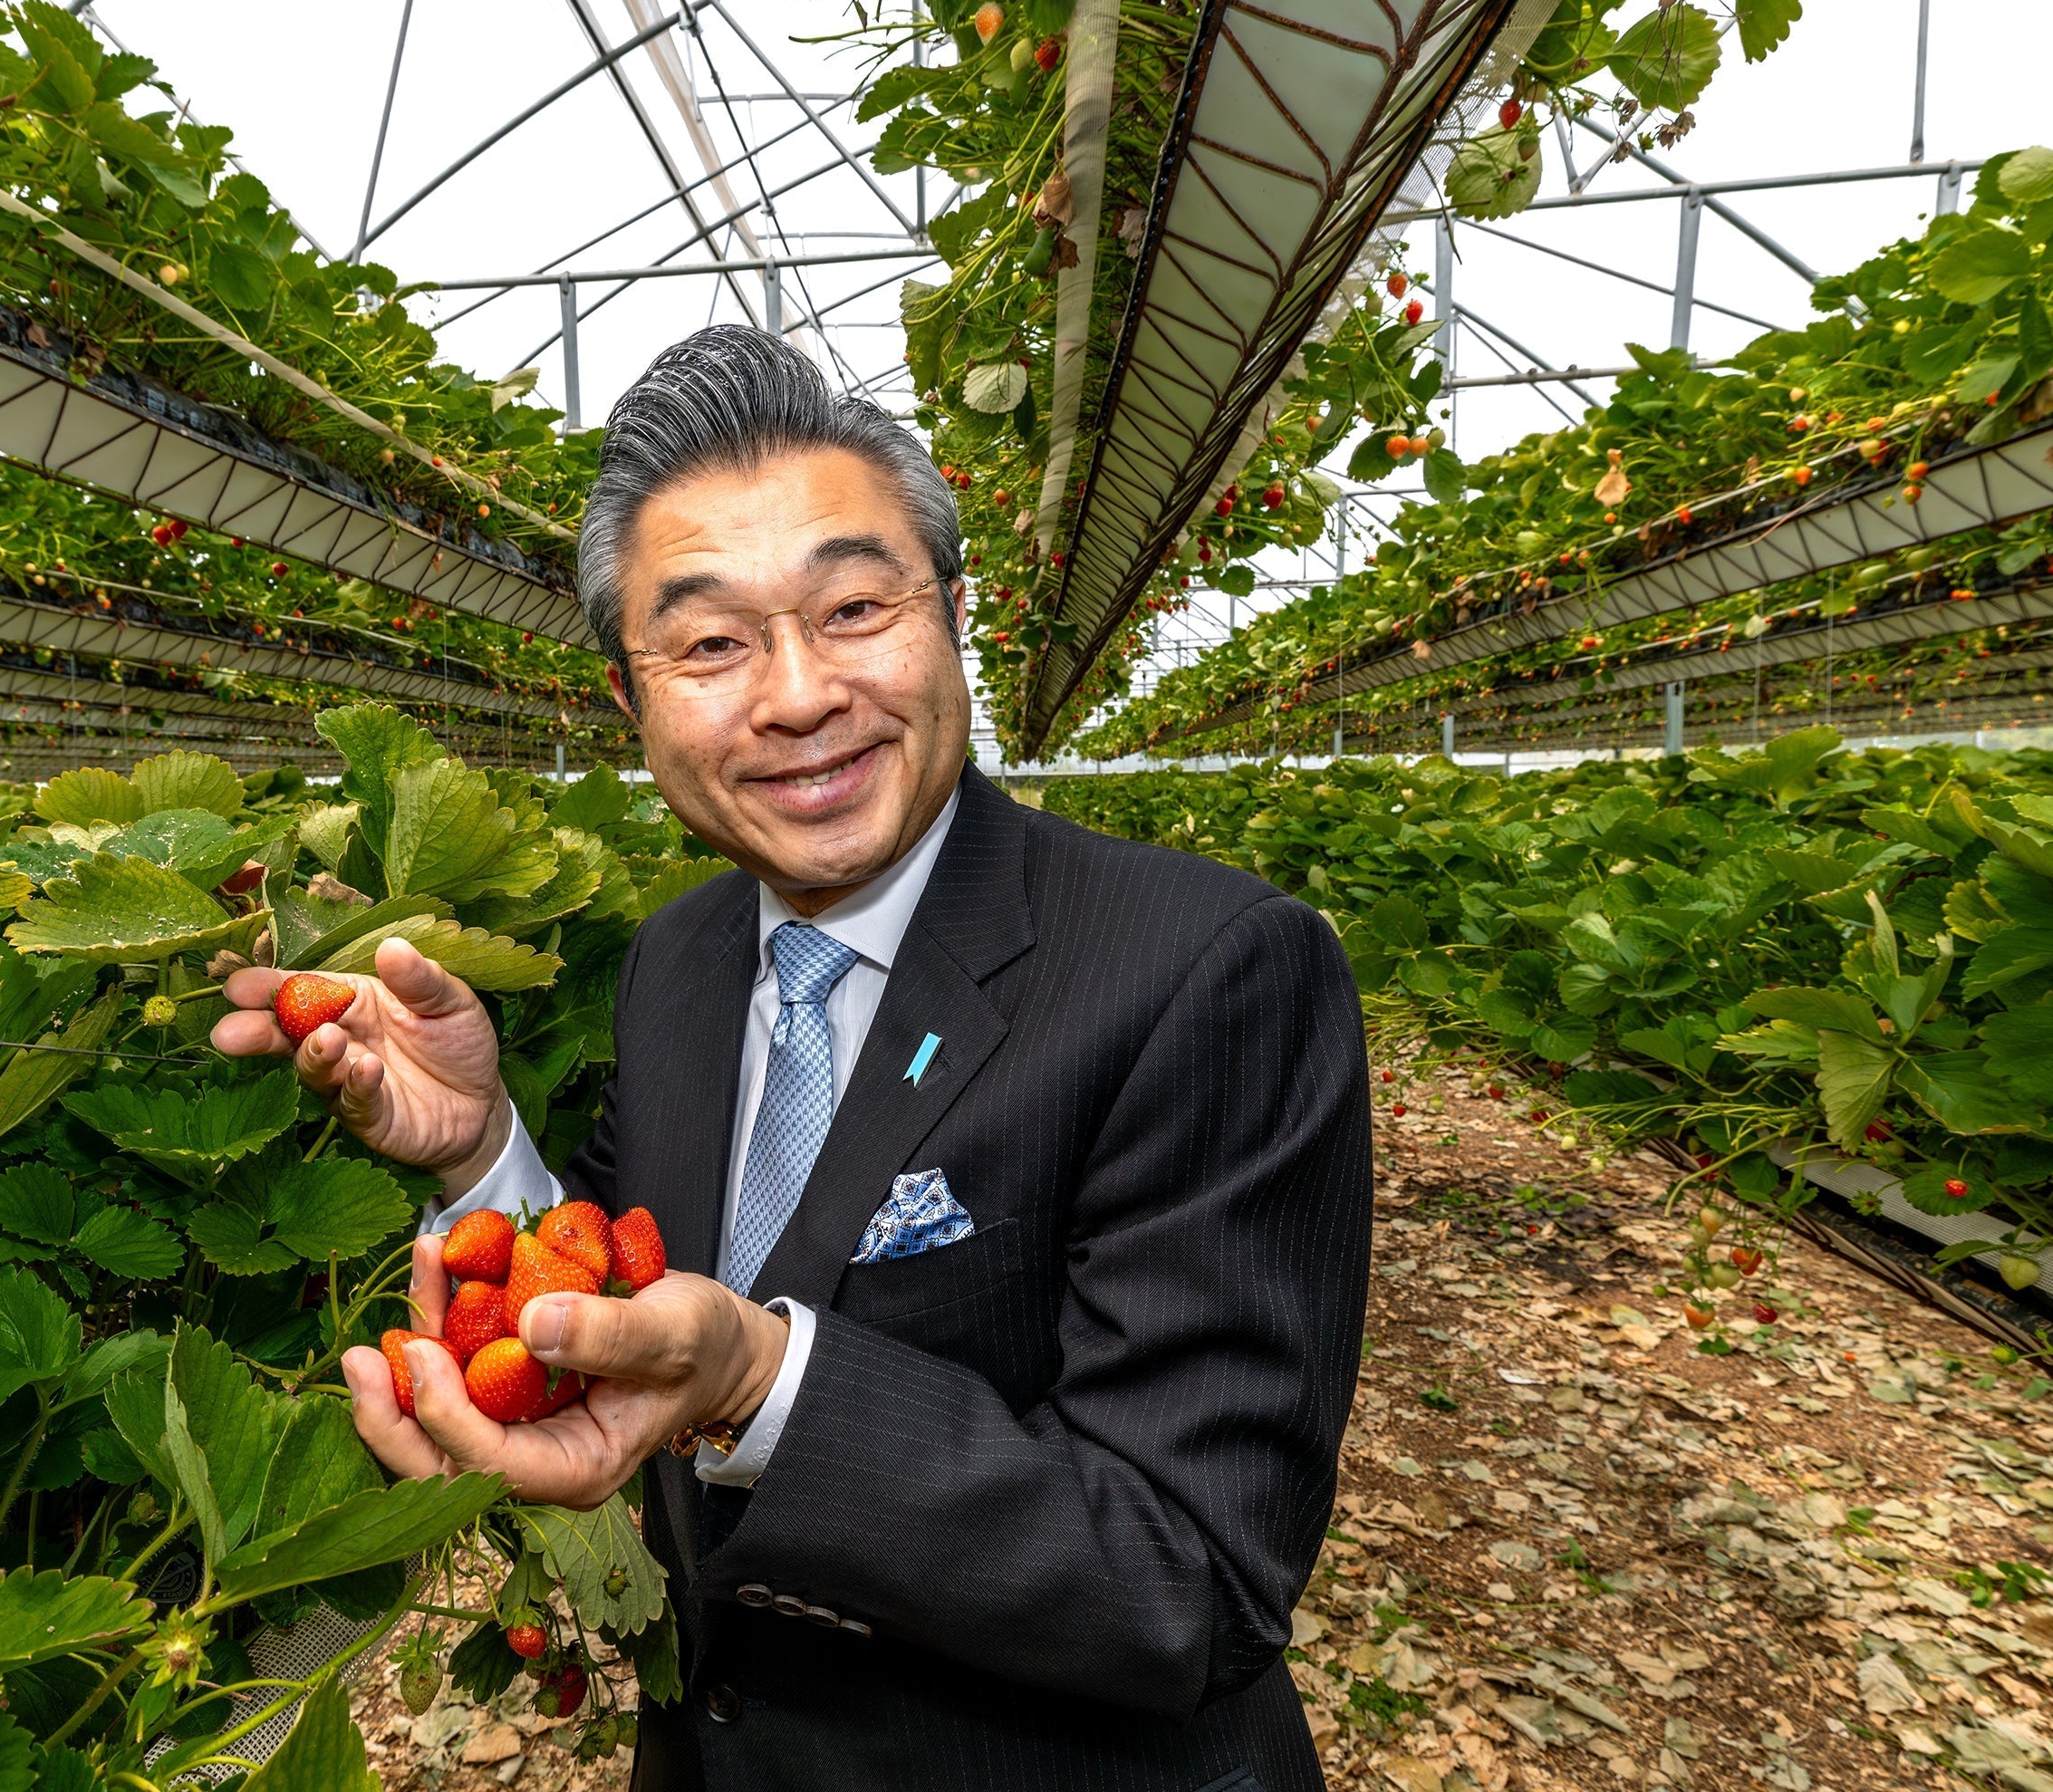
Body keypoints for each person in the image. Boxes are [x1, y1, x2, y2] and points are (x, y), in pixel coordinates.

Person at [214, 325, 1373, 1790]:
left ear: (953, 616)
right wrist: (470, 1144)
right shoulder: (684, 960)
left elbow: (1188, 1579)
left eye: (852, 607)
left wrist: (760, 1381)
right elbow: (617, 1299)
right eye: (709, 643)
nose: (797, 694)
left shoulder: (1205, 968)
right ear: (632, 703)